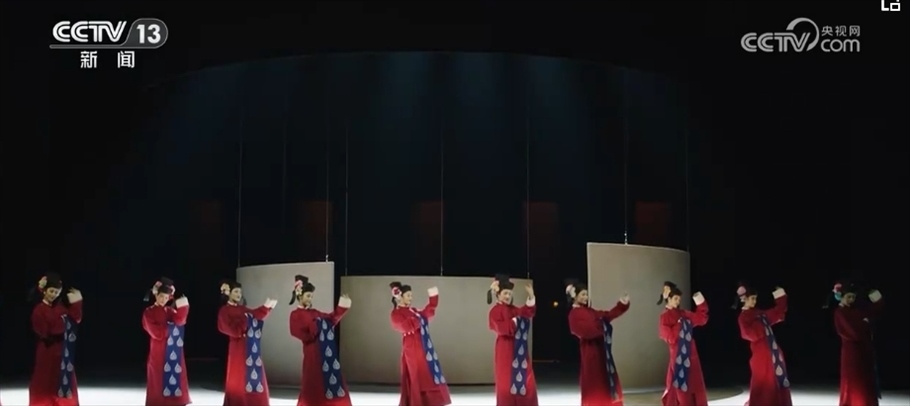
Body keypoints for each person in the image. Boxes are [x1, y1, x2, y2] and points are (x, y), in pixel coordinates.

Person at [288, 275, 353, 406]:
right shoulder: (295, 314)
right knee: (312, 382)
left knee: (329, 381)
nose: (310, 299)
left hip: (326, 354)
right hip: (312, 354)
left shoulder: (315, 313)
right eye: (308, 296)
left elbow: (331, 319)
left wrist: (342, 307)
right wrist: (314, 327)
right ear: (300, 296)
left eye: (311, 296)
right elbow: (297, 332)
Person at [565, 279, 630, 406]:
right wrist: (601, 327)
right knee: (595, 382)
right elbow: (586, 331)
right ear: (575, 296)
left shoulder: (591, 311)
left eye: (586, 294)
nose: (586, 297)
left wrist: (621, 304)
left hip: (602, 351)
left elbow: (607, 315)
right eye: (583, 294)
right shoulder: (573, 314)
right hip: (590, 352)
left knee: (605, 380)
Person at [389, 281, 451, 406]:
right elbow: (406, 326)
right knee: (416, 375)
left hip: (423, 346)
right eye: (408, 295)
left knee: (428, 374)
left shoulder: (413, 311)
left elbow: (427, 313)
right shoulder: (396, 314)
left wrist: (433, 299)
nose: (410, 298)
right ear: (400, 297)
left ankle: (429, 402)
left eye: (411, 295)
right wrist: (420, 319)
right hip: (411, 347)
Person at [217, 279, 278, 406]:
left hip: (250, 345)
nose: (239, 295)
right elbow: (230, 329)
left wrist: (266, 307)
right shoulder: (224, 310)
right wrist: (246, 321)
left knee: (254, 374)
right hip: (237, 348)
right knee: (239, 376)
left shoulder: (243, 309)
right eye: (236, 292)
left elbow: (255, 315)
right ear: (228, 293)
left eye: (240, 292)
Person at [28, 273, 84, 406]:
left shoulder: (60, 309)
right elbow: (44, 331)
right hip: (47, 350)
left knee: (64, 381)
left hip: (63, 351)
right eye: (52, 291)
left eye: (57, 292)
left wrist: (77, 302)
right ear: (44, 291)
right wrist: (62, 328)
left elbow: (74, 320)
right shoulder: (39, 310)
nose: (54, 295)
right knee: (46, 380)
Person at [735, 283, 791, 406]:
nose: (754, 301)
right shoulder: (743, 317)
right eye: (752, 298)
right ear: (744, 299)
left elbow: (778, 312)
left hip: (773, 351)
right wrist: (762, 324)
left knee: (776, 378)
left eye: (755, 298)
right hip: (760, 354)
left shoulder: (760, 313)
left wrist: (780, 296)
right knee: (763, 380)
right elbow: (749, 334)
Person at [830, 282, 884, 406]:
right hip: (851, 352)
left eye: (853, 297)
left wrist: (877, 299)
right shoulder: (840, 312)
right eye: (848, 297)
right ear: (842, 297)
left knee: (865, 380)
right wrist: (865, 324)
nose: (851, 300)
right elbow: (854, 332)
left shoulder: (854, 310)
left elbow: (874, 311)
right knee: (854, 380)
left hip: (863, 349)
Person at [488, 274, 538, 406]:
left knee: (525, 379)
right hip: (505, 349)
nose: (508, 296)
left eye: (509, 293)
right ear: (498, 294)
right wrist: (515, 321)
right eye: (505, 293)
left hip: (519, 347)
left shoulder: (513, 309)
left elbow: (526, 313)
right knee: (507, 380)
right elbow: (502, 328)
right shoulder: (495, 311)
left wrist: (531, 296)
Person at [142, 277, 191, 406]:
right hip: (158, 350)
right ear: (156, 295)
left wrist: (183, 306)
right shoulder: (148, 312)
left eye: (166, 297)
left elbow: (180, 321)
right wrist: (170, 329)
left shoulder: (169, 311)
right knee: (158, 377)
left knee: (175, 374)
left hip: (173, 348)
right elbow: (156, 333)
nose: (163, 300)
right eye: (161, 296)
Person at [658, 283, 708, 406]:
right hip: (678, 357)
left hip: (692, 355)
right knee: (682, 387)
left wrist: (700, 301)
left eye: (679, 299)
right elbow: (669, 337)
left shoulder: (684, 314)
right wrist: (681, 326)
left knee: (696, 384)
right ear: (669, 299)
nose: (678, 301)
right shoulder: (664, 317)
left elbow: (701, 319)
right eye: (675, 298)